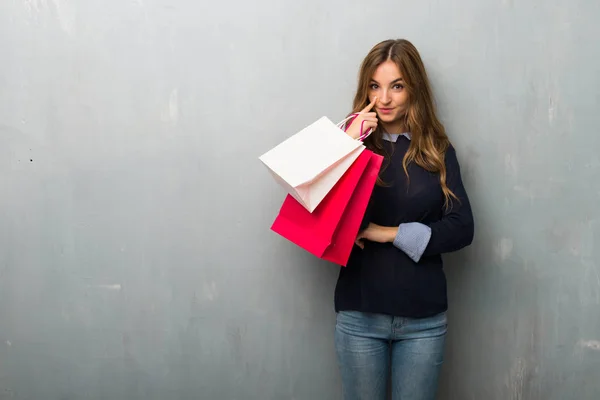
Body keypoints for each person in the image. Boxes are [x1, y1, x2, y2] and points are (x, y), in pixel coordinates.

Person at [335, 39, 475, 400]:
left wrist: (386, 233)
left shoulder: (437, 151)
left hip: (423, 321)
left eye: (396, 86)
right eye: (375, 86)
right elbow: (316, 210)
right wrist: (345, 146)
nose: (384, 99)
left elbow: (462, 227)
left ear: (414, 89)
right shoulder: (348, 146)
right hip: (360, 316)